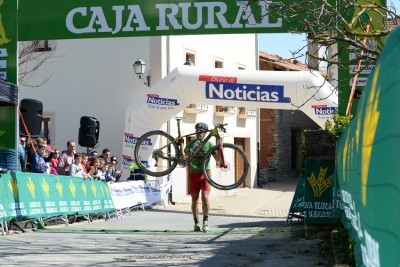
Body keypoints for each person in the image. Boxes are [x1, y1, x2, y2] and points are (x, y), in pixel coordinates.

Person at [184, 122, 217, 233]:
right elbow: (186, 152)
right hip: (194, 173)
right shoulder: (192, 142)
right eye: (197, 130)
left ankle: (206, 221)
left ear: (205, 133)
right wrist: (190, 149)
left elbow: (217, 158)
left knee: (205, 197)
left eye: (202, 131)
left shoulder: (209, 144)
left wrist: (220, 144)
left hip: (205, 173)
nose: (199, 133)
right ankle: (196, 222)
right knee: (194, 199)